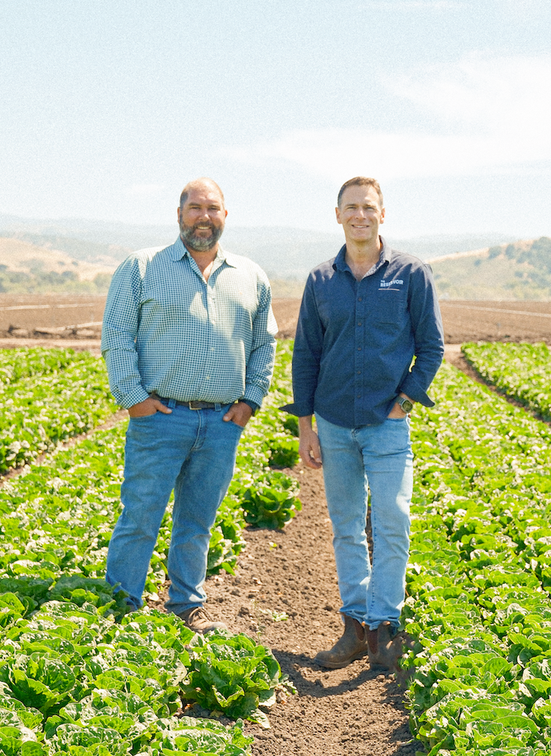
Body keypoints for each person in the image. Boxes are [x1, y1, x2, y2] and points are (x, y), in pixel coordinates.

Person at [281, 176, 444, 674]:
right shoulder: (320, 280)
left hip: (386, 424)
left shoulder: (411, 274)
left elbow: (432, 348)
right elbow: (305, 355)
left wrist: (405, 401)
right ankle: (354, 626)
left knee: (392, 520)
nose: (360, 215)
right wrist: (305, 427)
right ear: (337, 215)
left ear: (382, 213)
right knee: (347, 526)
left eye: (368, 207)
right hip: (332, 423)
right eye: (350, 207)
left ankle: (384, 625)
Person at [101, 177, 277, 634]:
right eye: (195, 207)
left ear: (225, 216)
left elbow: (265, 344)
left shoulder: (250, 276)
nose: (204, 216)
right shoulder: (142, 267)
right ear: (179, 215)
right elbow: (116, 336)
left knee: (198, 520)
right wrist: (133, 399)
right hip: (161, 418)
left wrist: (250, 401)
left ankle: (185, 604)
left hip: (220, 422)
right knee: (140, 514)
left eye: (213, 208)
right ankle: (121, 605)